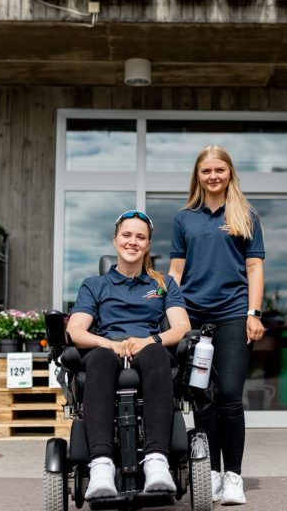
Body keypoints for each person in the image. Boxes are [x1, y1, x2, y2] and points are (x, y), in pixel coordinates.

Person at [66, 209, 191, 500]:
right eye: (126, 235)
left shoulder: (163, 284)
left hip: (148, 348)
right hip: (109, 349)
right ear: (115, 240)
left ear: (147, 245)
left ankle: (157, 462)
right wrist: (108, 344)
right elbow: (75, 330)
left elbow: (182, 326)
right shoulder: (94, 285)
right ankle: (101, 466)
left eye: (140, 237)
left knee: (159, 355)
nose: (132, 242)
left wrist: (149, 340)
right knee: (98, 360)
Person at [168, 145, 265, 506]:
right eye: (206, 171)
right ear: (198, 175)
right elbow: (176, 270)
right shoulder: (184, 218)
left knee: (227, 395)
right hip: (193, 318)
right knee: (201, 397)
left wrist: (254, 313)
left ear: (229, 173)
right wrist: (171, 309)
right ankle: (209, 472)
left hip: (232, 316)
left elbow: (254, 267)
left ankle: (233, 476)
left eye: (219, 170)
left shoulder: (245, 214)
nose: (213, 176)